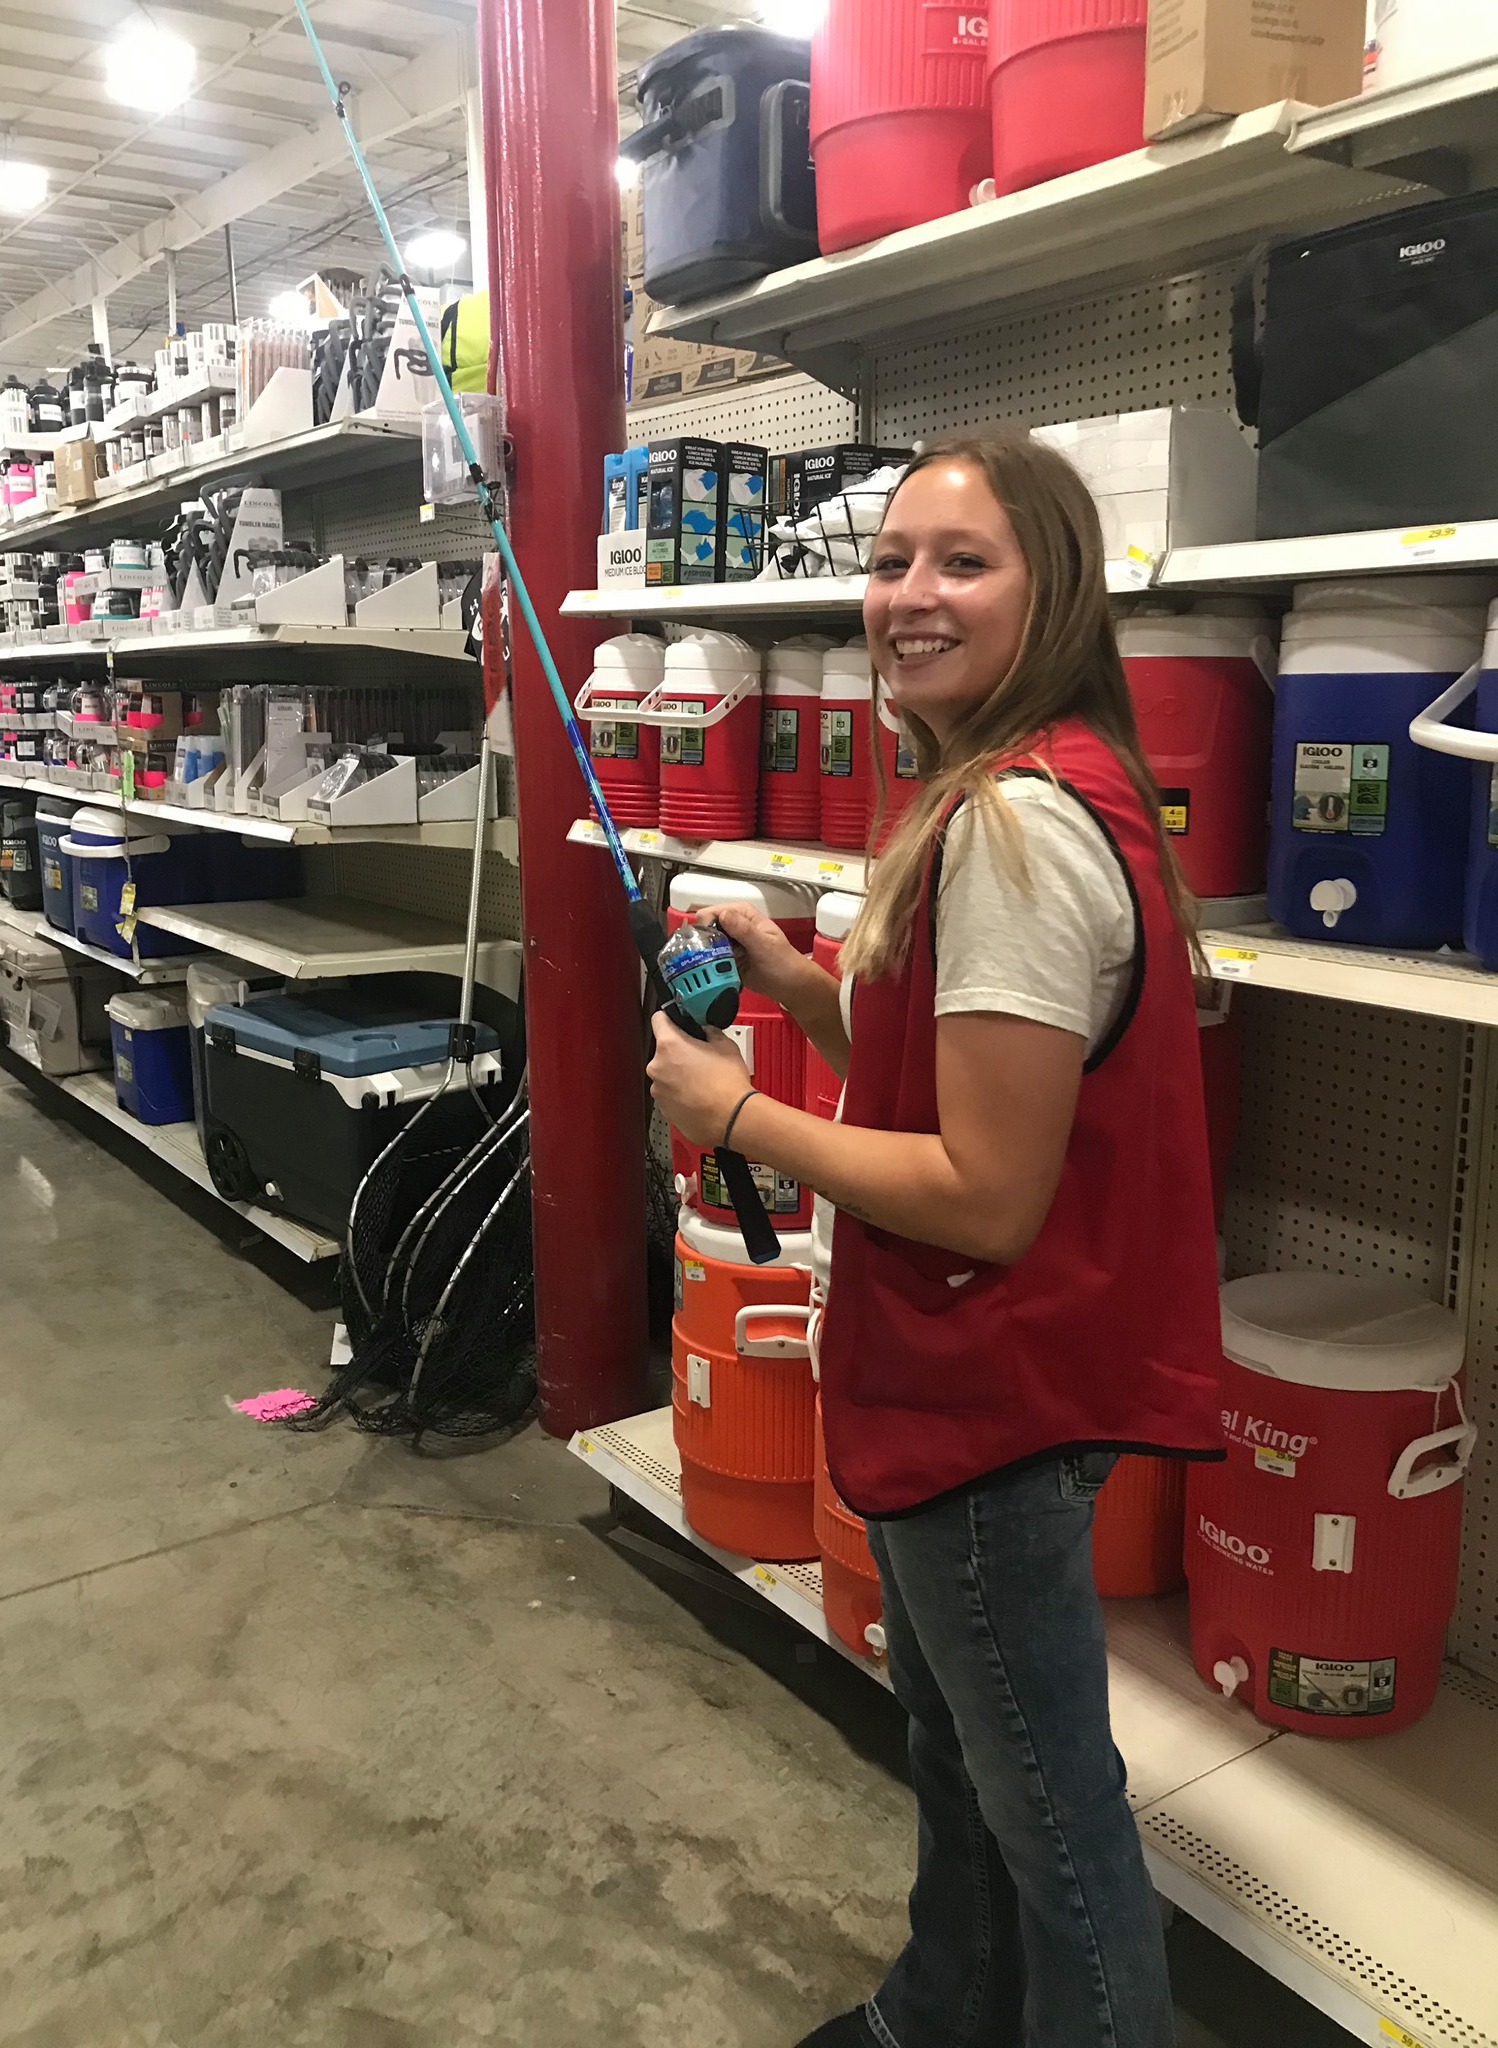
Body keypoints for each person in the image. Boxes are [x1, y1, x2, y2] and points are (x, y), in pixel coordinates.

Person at [646, 432, 1224, 2048]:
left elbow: (984, 1188)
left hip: (992, 1401)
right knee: (960, 1753)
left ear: (1054, 593)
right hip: (977, 1382)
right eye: (892, 558)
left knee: (1051, 1812)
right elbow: (960, 1071)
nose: (911, 594)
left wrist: (738, 1113)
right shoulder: (1022, 785)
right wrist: (797, 978)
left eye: (963, 562)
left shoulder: (1016, 831)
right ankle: (942, 2009)